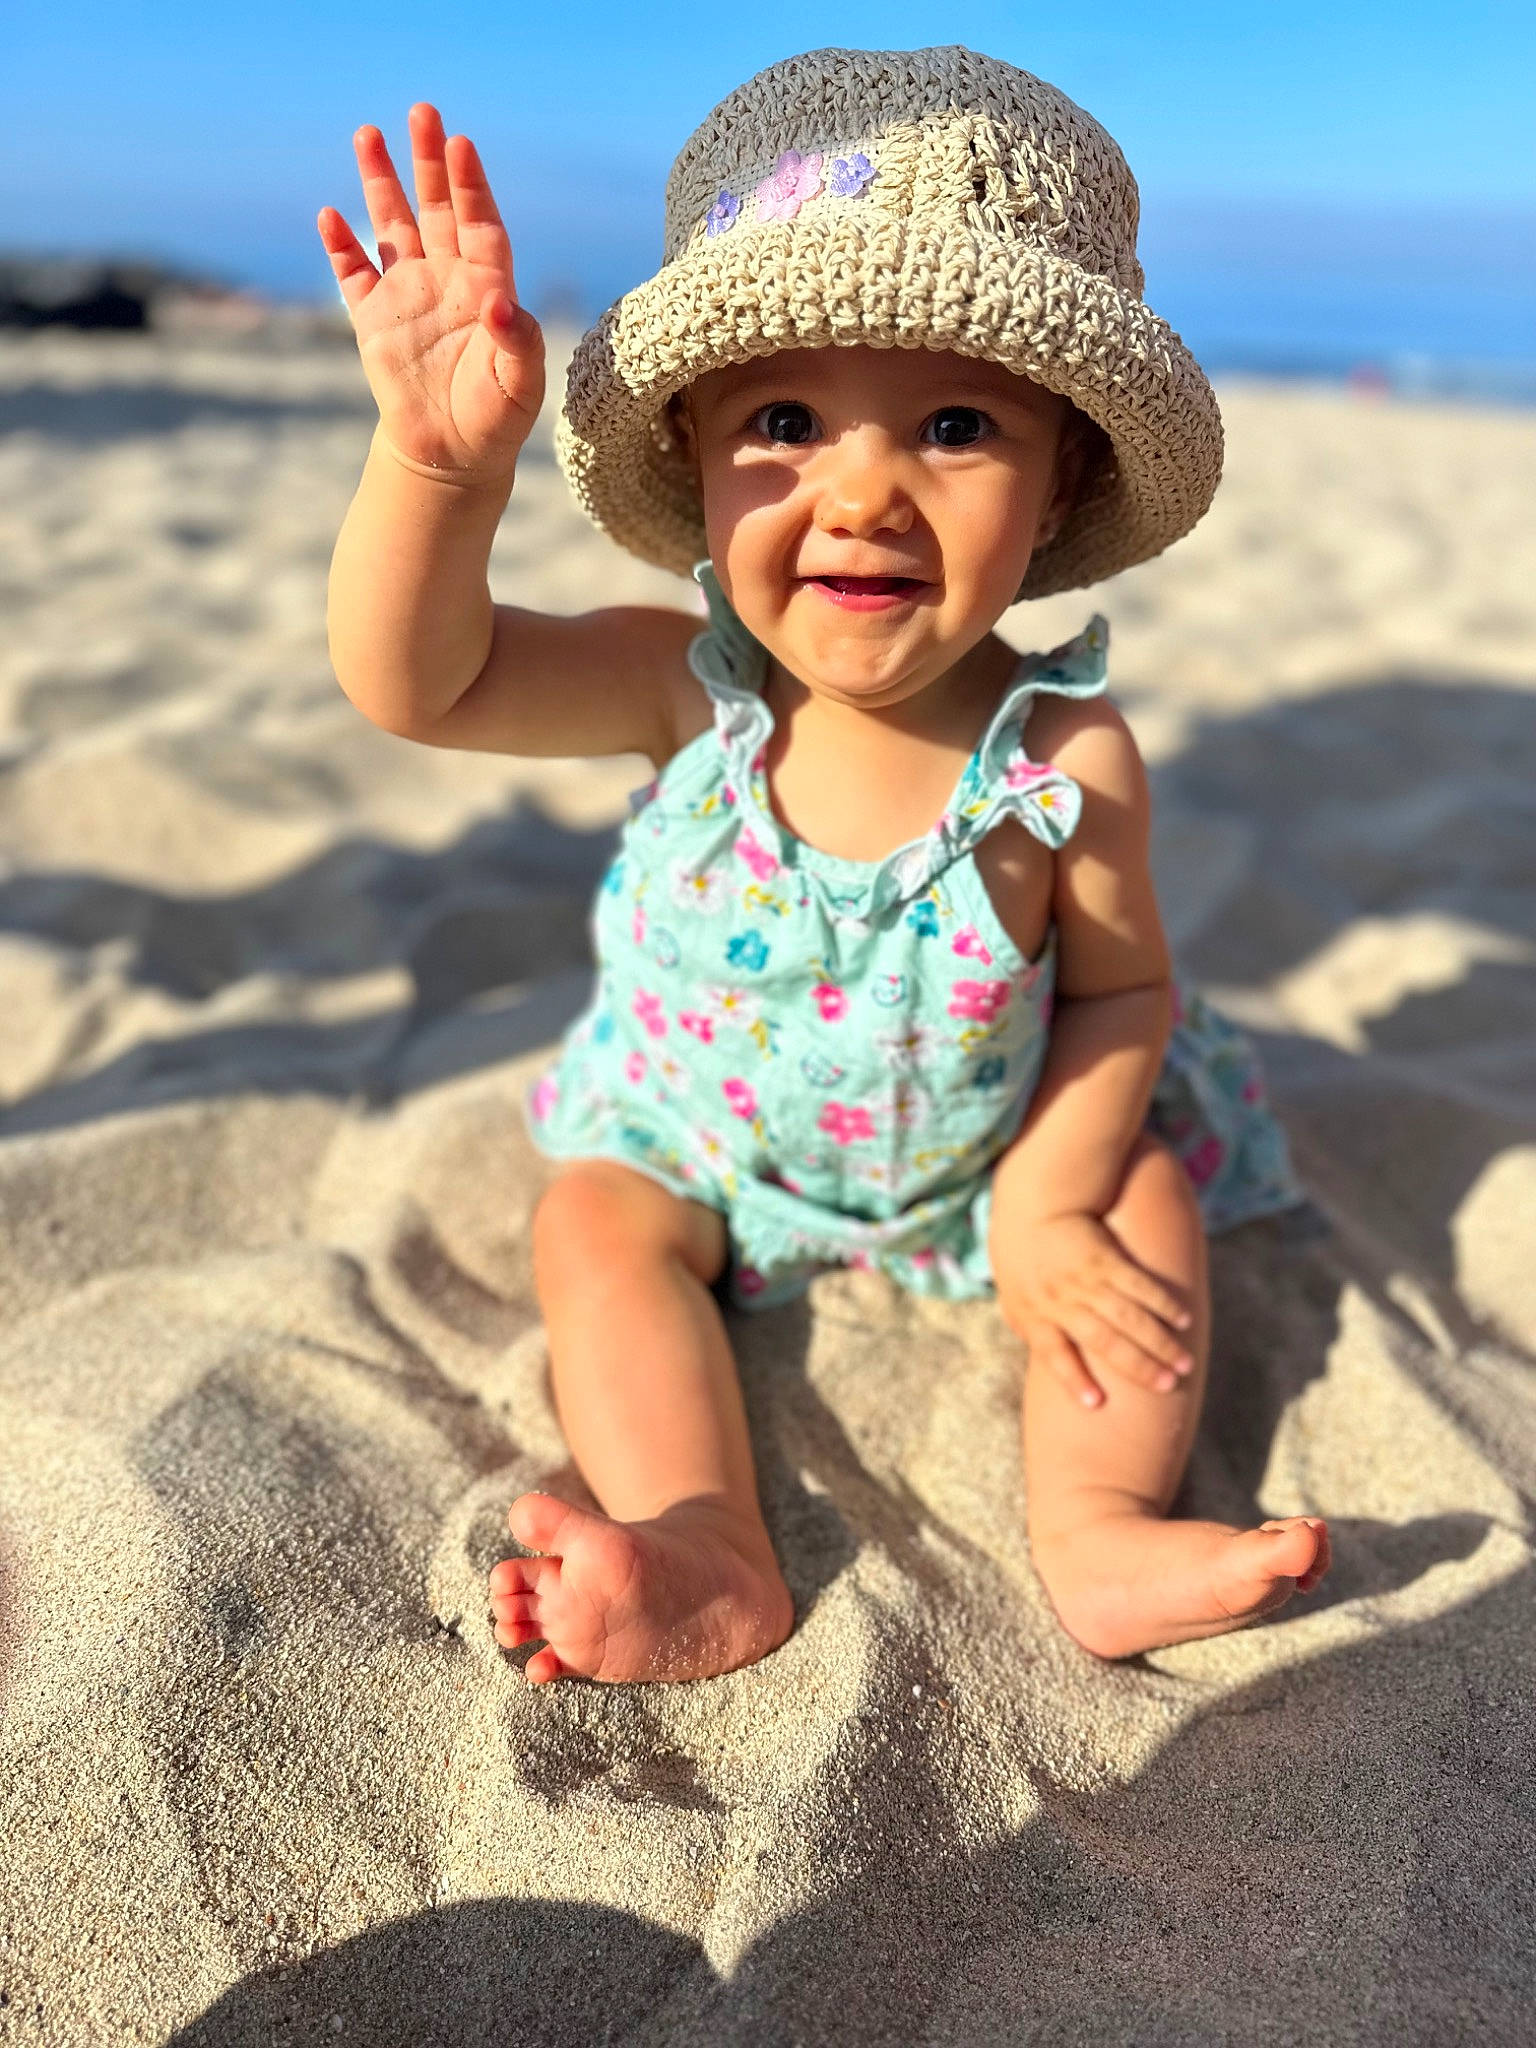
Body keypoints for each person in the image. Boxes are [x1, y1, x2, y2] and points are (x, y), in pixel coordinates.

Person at [319, 45, 1332, 1685]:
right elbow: (416, 684)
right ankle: (708, 1538)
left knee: (1143, 1192)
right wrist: (440, 472)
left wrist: (1052, 1199)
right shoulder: (681, 689)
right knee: (593, 1224)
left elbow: (1126, 990)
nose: (861, 490)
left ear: (1065, 468)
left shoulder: (1064, 761)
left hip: (987, 1160)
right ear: (701, 452)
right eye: (785, 422)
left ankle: (1097, 1530)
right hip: (704, 1146)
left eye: (954, 425)